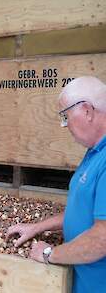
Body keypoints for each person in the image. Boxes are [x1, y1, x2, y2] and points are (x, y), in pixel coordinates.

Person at [7, 76, 106, 293]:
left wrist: (49, 254)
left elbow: (101, 239)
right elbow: (82, 210)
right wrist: (37, 227)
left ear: (87, 111)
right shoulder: (94, 153)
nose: (64, 125)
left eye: (65, 116)